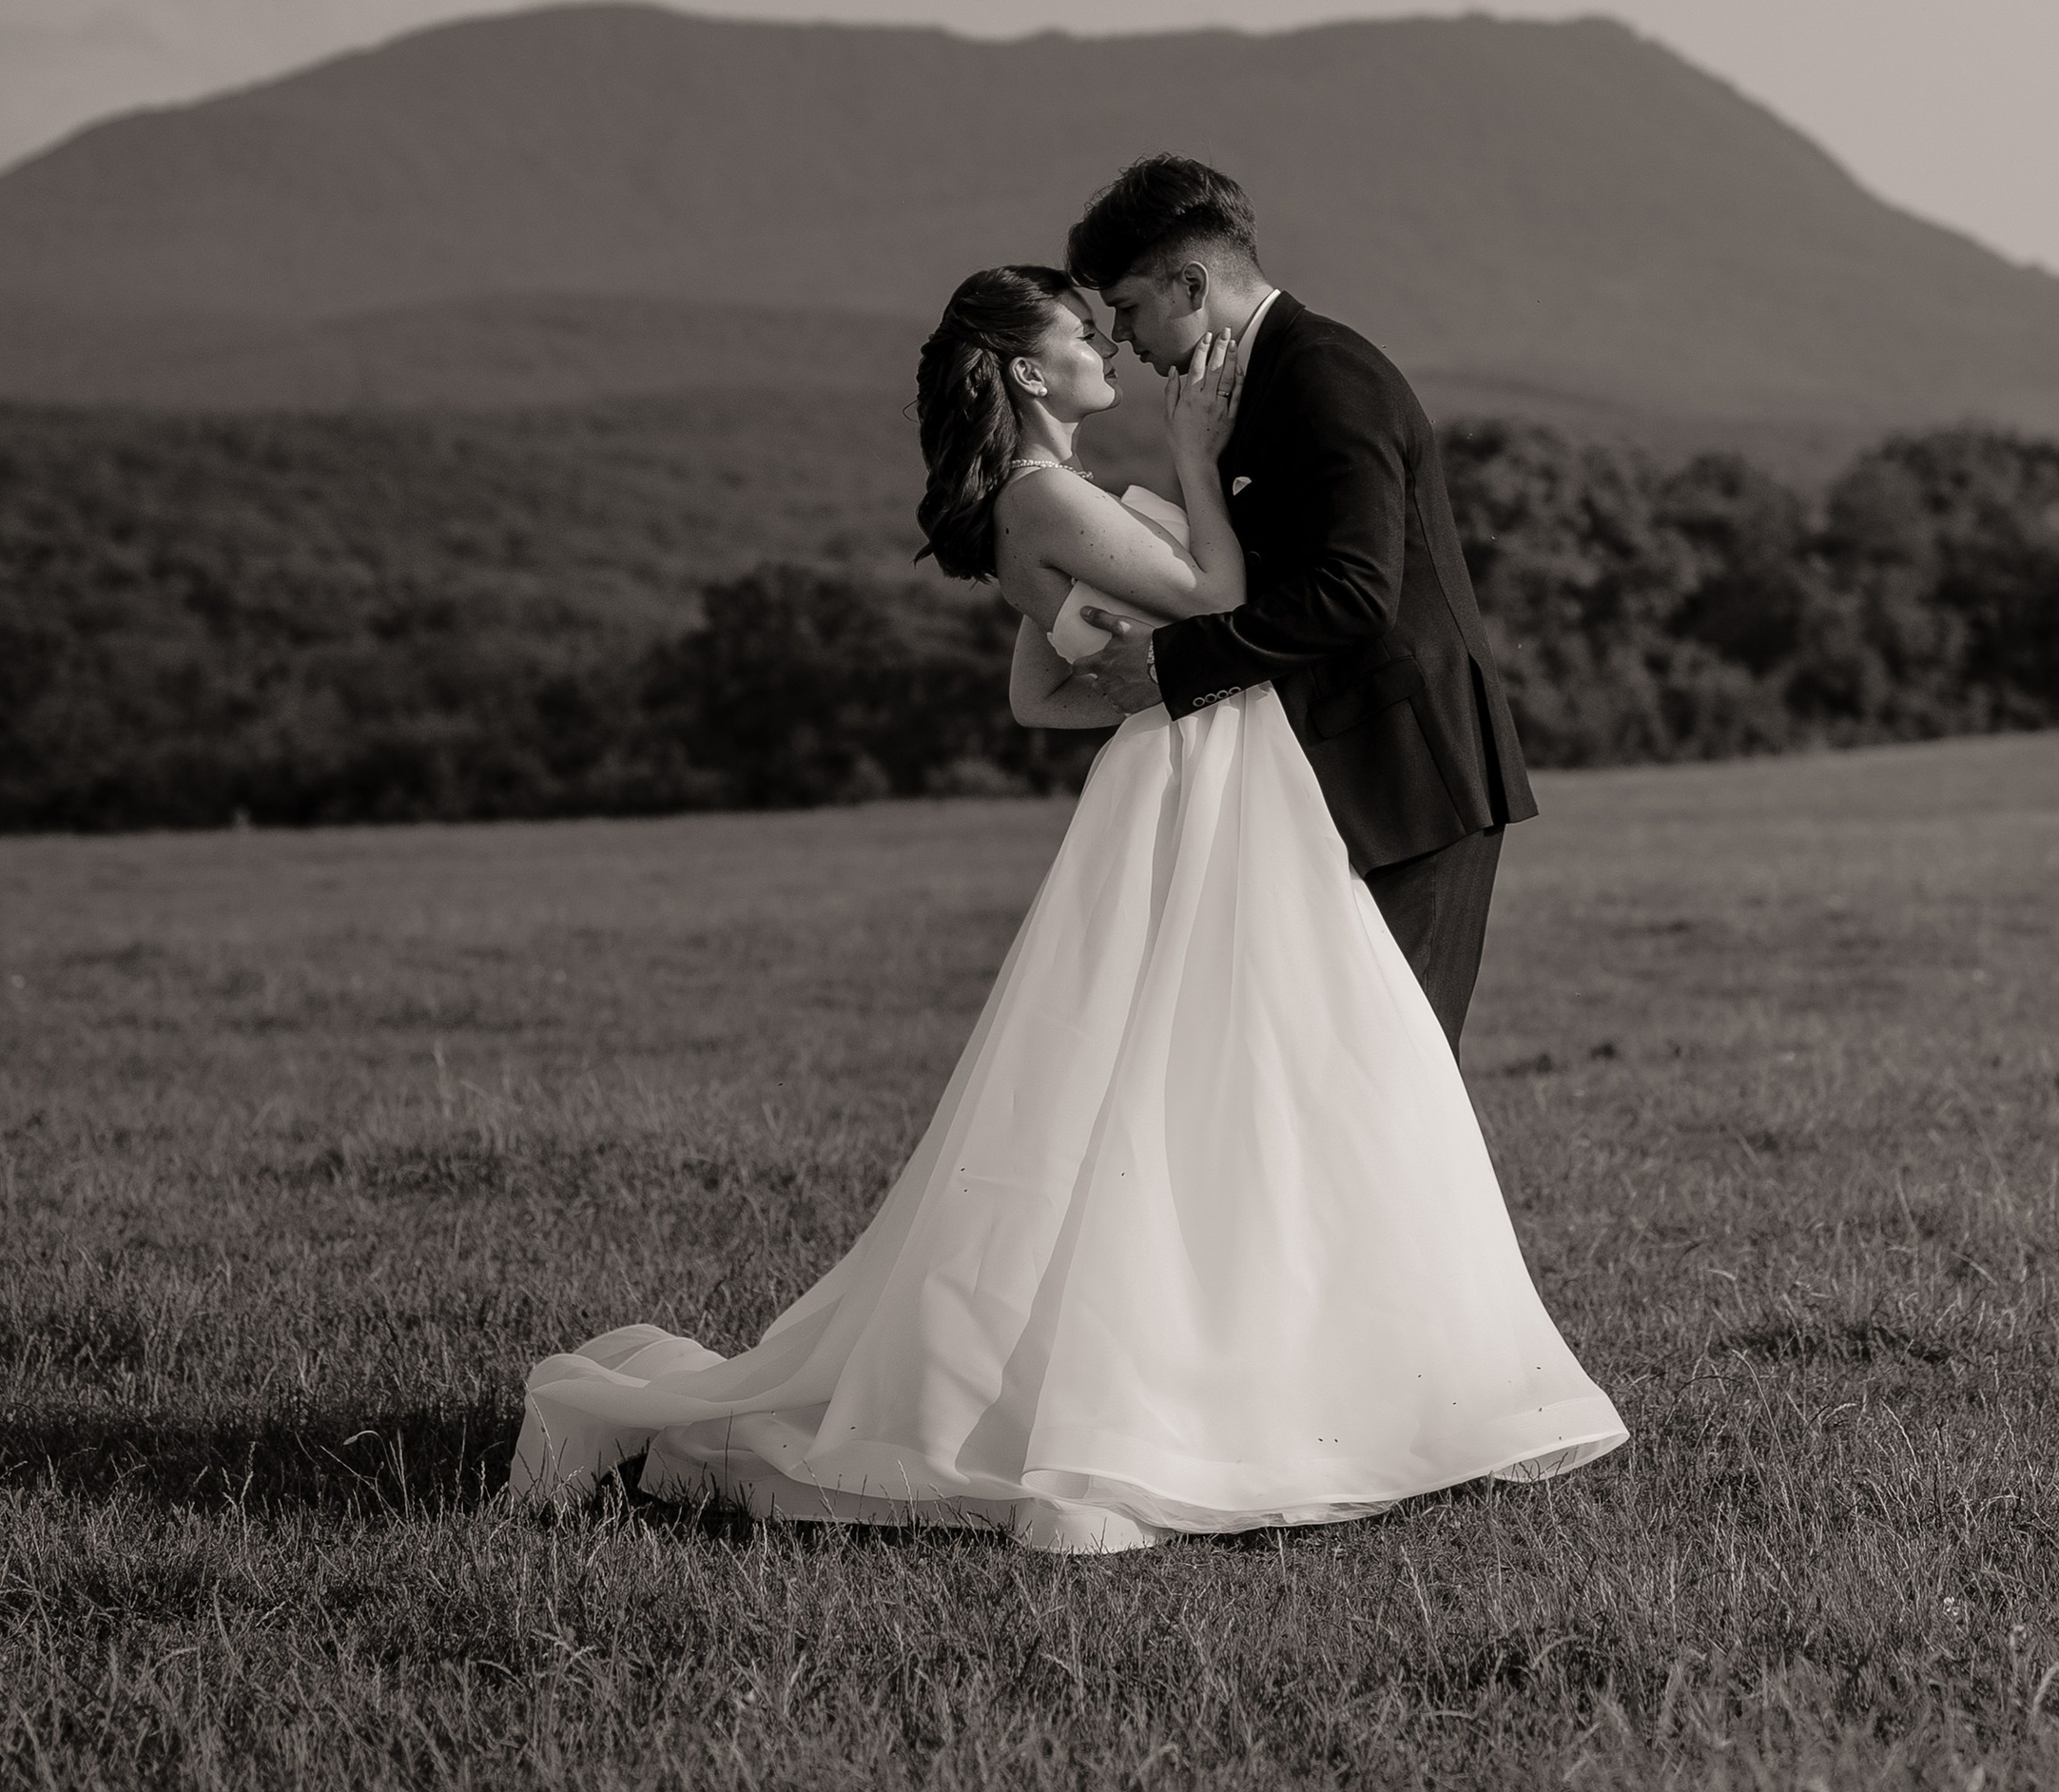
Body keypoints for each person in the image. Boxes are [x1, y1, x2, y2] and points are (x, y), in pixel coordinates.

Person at [512, 241, 1623, 1552]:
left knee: (1267, 1069)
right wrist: (1197, 467)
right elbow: (1210, 596)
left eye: (1114, 327)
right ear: (1033, 372)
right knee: (1234, 1070)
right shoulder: (1045, 496)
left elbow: (1037, 693)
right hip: (1204, 777)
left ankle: (1306, 1368)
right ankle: (1223, 1387)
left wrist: (1127, 652)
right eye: (1084, 340)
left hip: (1212, 763)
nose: (1111, 349)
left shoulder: (1058, 491)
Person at [1056, 156, 1529, 1057]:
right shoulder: (1247, 384)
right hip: (1339, 769)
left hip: (1409, 777)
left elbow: (1352, 594)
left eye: (1127, 306)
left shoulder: (1324, 375)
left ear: (1190, 283)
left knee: (1393, 1071)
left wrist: (1165, 665)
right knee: (1319, 1067)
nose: (1120, 337)